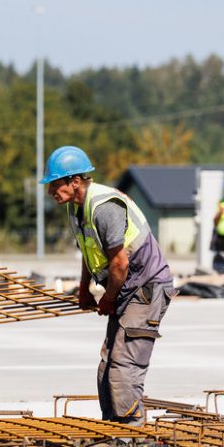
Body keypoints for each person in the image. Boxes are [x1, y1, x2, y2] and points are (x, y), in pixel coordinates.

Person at [40, 146, 175, 428]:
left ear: (75, 181)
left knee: (124, 365)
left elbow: (119, 265)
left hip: (145, 287)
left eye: (55, 183)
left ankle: (129, 437)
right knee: (107, 365)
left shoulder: (104, 208)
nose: (51, 190)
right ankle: (111, 429)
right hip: (126, 288)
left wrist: (108, 298)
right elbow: (91, 254)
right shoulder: (77, 209)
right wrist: (84, 288)